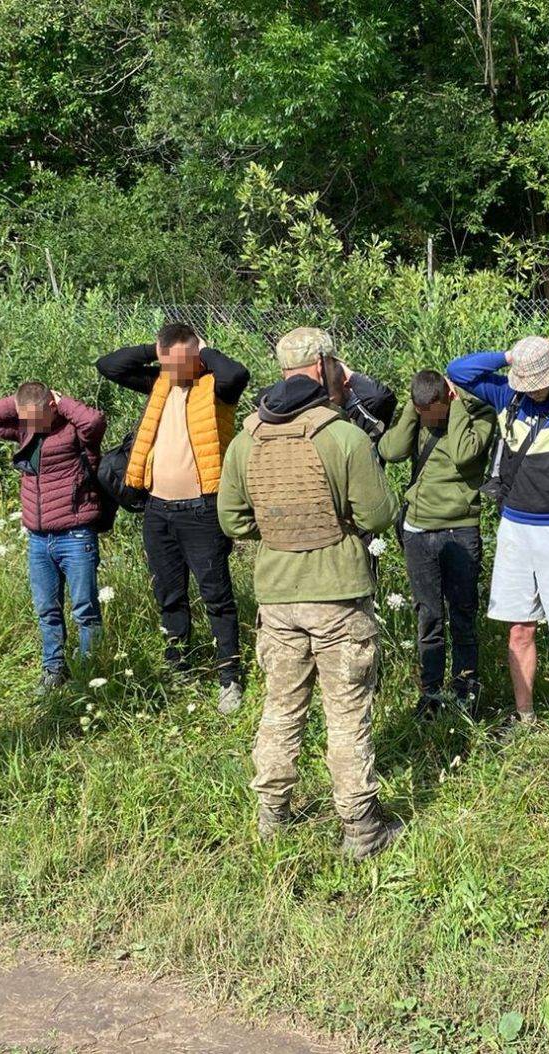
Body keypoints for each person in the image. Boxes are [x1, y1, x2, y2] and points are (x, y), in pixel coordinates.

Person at [216, 327, 402, 859]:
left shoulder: (247, 438)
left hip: (276, 595)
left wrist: (276, 533)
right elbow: (378, 515)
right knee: (346, 713)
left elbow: (231, 519)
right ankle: (361, 830)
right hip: (339, 595)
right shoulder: (343, 438)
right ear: (323, 368)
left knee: (281, 706)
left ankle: (272, 816)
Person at [446, 336, 549, 765]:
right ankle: (524, 716)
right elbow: (458, 370)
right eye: (526, 380)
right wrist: (511, 358)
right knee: (519, 629)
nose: (533, 388)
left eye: (538, 380)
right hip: (516, 528)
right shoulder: (508, 394)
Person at [96, 322, 250, 713]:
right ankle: (178, 665)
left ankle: (229, 677)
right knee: (169, 594)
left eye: (179, 363)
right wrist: (159, 351)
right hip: (158, 510)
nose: (172, 371)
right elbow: (109, 366)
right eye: (166, 363)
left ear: (195, 355)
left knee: (216, 595)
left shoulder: (215, 387)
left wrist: (203, 352)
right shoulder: (160, 383)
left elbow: (238, 373)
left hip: (202, 511)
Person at [0, 381, 111, 692]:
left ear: (52, 407)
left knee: (85, 609)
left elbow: (95, 421)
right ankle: (53, 670)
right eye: (26, 418)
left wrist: (61, 401)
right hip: (38, 538)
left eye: (38, 416)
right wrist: (22, 401)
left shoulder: (75, 428)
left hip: (75, 535)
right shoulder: (26, 429)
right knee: (47, 609)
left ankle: (89, 675)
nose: (32, 425)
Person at [378, 368, 497, 718]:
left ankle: (465, 694)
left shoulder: (480, 415)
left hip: (459, 529)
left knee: (462, 615)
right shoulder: (418, 417)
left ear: (447, 397)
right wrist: (411, 413)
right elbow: (392, 449)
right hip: (417, 531)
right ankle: (430, 694)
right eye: (421, 410)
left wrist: (456, 408)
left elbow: (464, 455)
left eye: (432, 410)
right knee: (428, 616)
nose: (429, 419)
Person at [272, 327, 396, 440]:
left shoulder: (273, 414)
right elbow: (380, 397)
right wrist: (344, 371)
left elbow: (380, 397)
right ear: (320, 368)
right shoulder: (358, 410)